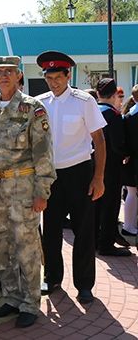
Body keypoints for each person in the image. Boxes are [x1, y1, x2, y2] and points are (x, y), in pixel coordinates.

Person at [0, 56, 55, 328]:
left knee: (27, 248)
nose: (4, 77)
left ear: (19, 75)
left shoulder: (32, 108)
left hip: (22, 188)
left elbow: (43, 152)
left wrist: (42, 190)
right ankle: (11, 297)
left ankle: (31, 303)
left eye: (9, 72)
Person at [35, 51, 106, 305]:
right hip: (50, 176)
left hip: (79, 172)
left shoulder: (84, 100)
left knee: (84, 231)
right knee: (51, 231)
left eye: (58, 77)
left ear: (68, 75)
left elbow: (99, 140)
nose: (53, 82)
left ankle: (84, 285)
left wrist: (98, 177)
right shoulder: (39, 103)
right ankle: (52, 278)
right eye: (49, 77)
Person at [95, 77, 131, 256]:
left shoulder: (94, 111)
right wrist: (127, 154)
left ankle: (94, 240)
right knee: (110, 206)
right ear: (115, 93)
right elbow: (118, 145)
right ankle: (106, 244)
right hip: (111, 168)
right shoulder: (114, 116)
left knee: (95, 205)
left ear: (98, 93)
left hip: (93, 165)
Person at [122, 85, 138, 238]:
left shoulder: (128, 116)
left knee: (131, 193)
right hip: (133, 160)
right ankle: (130, 225)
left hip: (130, 160)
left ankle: (129, 225)